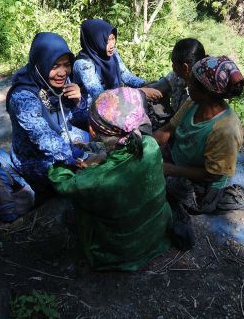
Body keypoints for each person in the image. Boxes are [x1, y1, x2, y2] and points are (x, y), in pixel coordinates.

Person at [49, 87, 173, 271]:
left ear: (92, 130)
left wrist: (61, 163)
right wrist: (103, 157)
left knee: (77, 209)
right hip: (158, 232)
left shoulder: (94, 180)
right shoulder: (150, 144)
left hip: (122, 251)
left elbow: (61, 182)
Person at [153, 56, 244, 248]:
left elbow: (212, 174)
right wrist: (147, 145)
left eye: (192, 82)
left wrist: (169, 170)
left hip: (202, 183)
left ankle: (181, 213)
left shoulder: (225, 129)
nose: (187, 84)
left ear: (206, 93)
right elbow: (167, 130)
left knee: (159, 189)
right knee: (145, 161)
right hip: (177, 158)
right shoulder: (192, 104)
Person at [6, 32, 102, 202]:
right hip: (33, 158)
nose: (62, 72)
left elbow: (76, 118)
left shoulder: (60, 84)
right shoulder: (23, 97)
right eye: (54, 66)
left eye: (66, 65)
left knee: (104, 148)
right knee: (86, 180)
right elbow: (44, 139)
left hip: (64, 139)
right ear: (40, 64)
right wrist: (78, 159)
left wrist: (79, 101)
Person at [72, 19, 162, 108]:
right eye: (106, 41)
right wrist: (139, 93)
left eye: (113, 39)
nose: (112, 45)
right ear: (95, 41)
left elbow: (125, 75)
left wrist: (144, 84)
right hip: (89, 108)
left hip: (114, 102)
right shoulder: (83, 64)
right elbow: (100, 96)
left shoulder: (112, 53)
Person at [145, 38, 206, 128]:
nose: (173, 67)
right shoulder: (177, 77)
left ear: (185, 67)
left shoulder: (198, 92)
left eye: (174, 64)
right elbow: (156, 87)